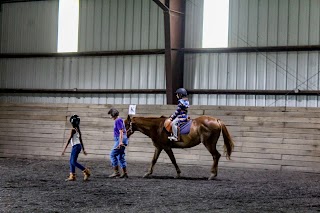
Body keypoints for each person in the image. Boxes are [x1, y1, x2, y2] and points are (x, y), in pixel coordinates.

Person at [62, 114, 91, 181]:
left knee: (73, 162)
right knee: (71, 161)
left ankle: (86, 171)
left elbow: (69, 139)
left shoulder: (73, 130)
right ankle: (72, 175)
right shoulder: (78, 129)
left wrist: (64, 149)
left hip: (75, 146)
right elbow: (80, 140)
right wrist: (83, 149)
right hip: (78, 146)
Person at [108, 108, 129, 178]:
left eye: (110, 115)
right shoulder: (119, 120)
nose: (110, 116)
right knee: (120, 156)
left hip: (120, 139)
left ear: (113, 115)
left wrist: (120, 142)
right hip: (121, 139)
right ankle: (125, 173)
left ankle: (116, 172)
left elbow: (121, 132)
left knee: (112, 155)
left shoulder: (117, 120)